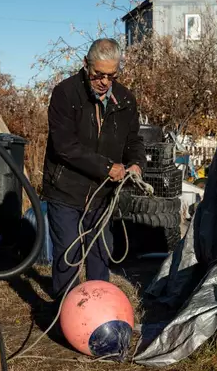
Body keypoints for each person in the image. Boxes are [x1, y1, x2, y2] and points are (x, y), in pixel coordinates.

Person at [41, 38, 146, 298]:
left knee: (100, 256)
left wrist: (136, 163)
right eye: (99, 74)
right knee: (68, 257)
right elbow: (64, 146)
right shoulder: (65, 94)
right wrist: (107, 167)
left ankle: (98, 319)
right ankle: (65, 316)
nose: (104, 81)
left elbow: (134, 140)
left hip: (102, 196)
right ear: (86, 65)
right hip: (65, 191)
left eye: (112, 75)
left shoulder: (125, 100)